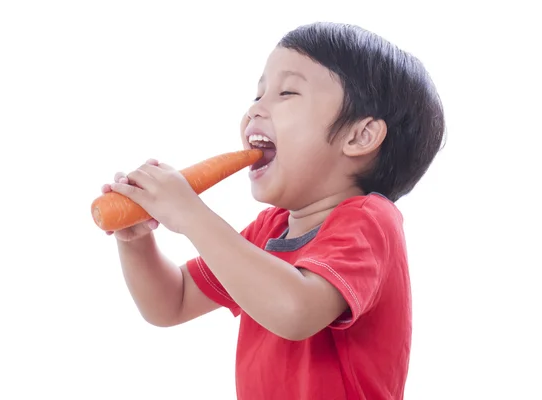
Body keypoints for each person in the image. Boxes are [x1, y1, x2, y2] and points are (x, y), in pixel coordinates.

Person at [101, 21, 445, 400]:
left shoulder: (369, 221)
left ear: (359, 136)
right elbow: (172, 301)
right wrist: (136, 241)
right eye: (257, 95)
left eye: (287, 92)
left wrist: (190, 214)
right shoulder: (271, 230)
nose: (254, 112)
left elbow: (295, 311)